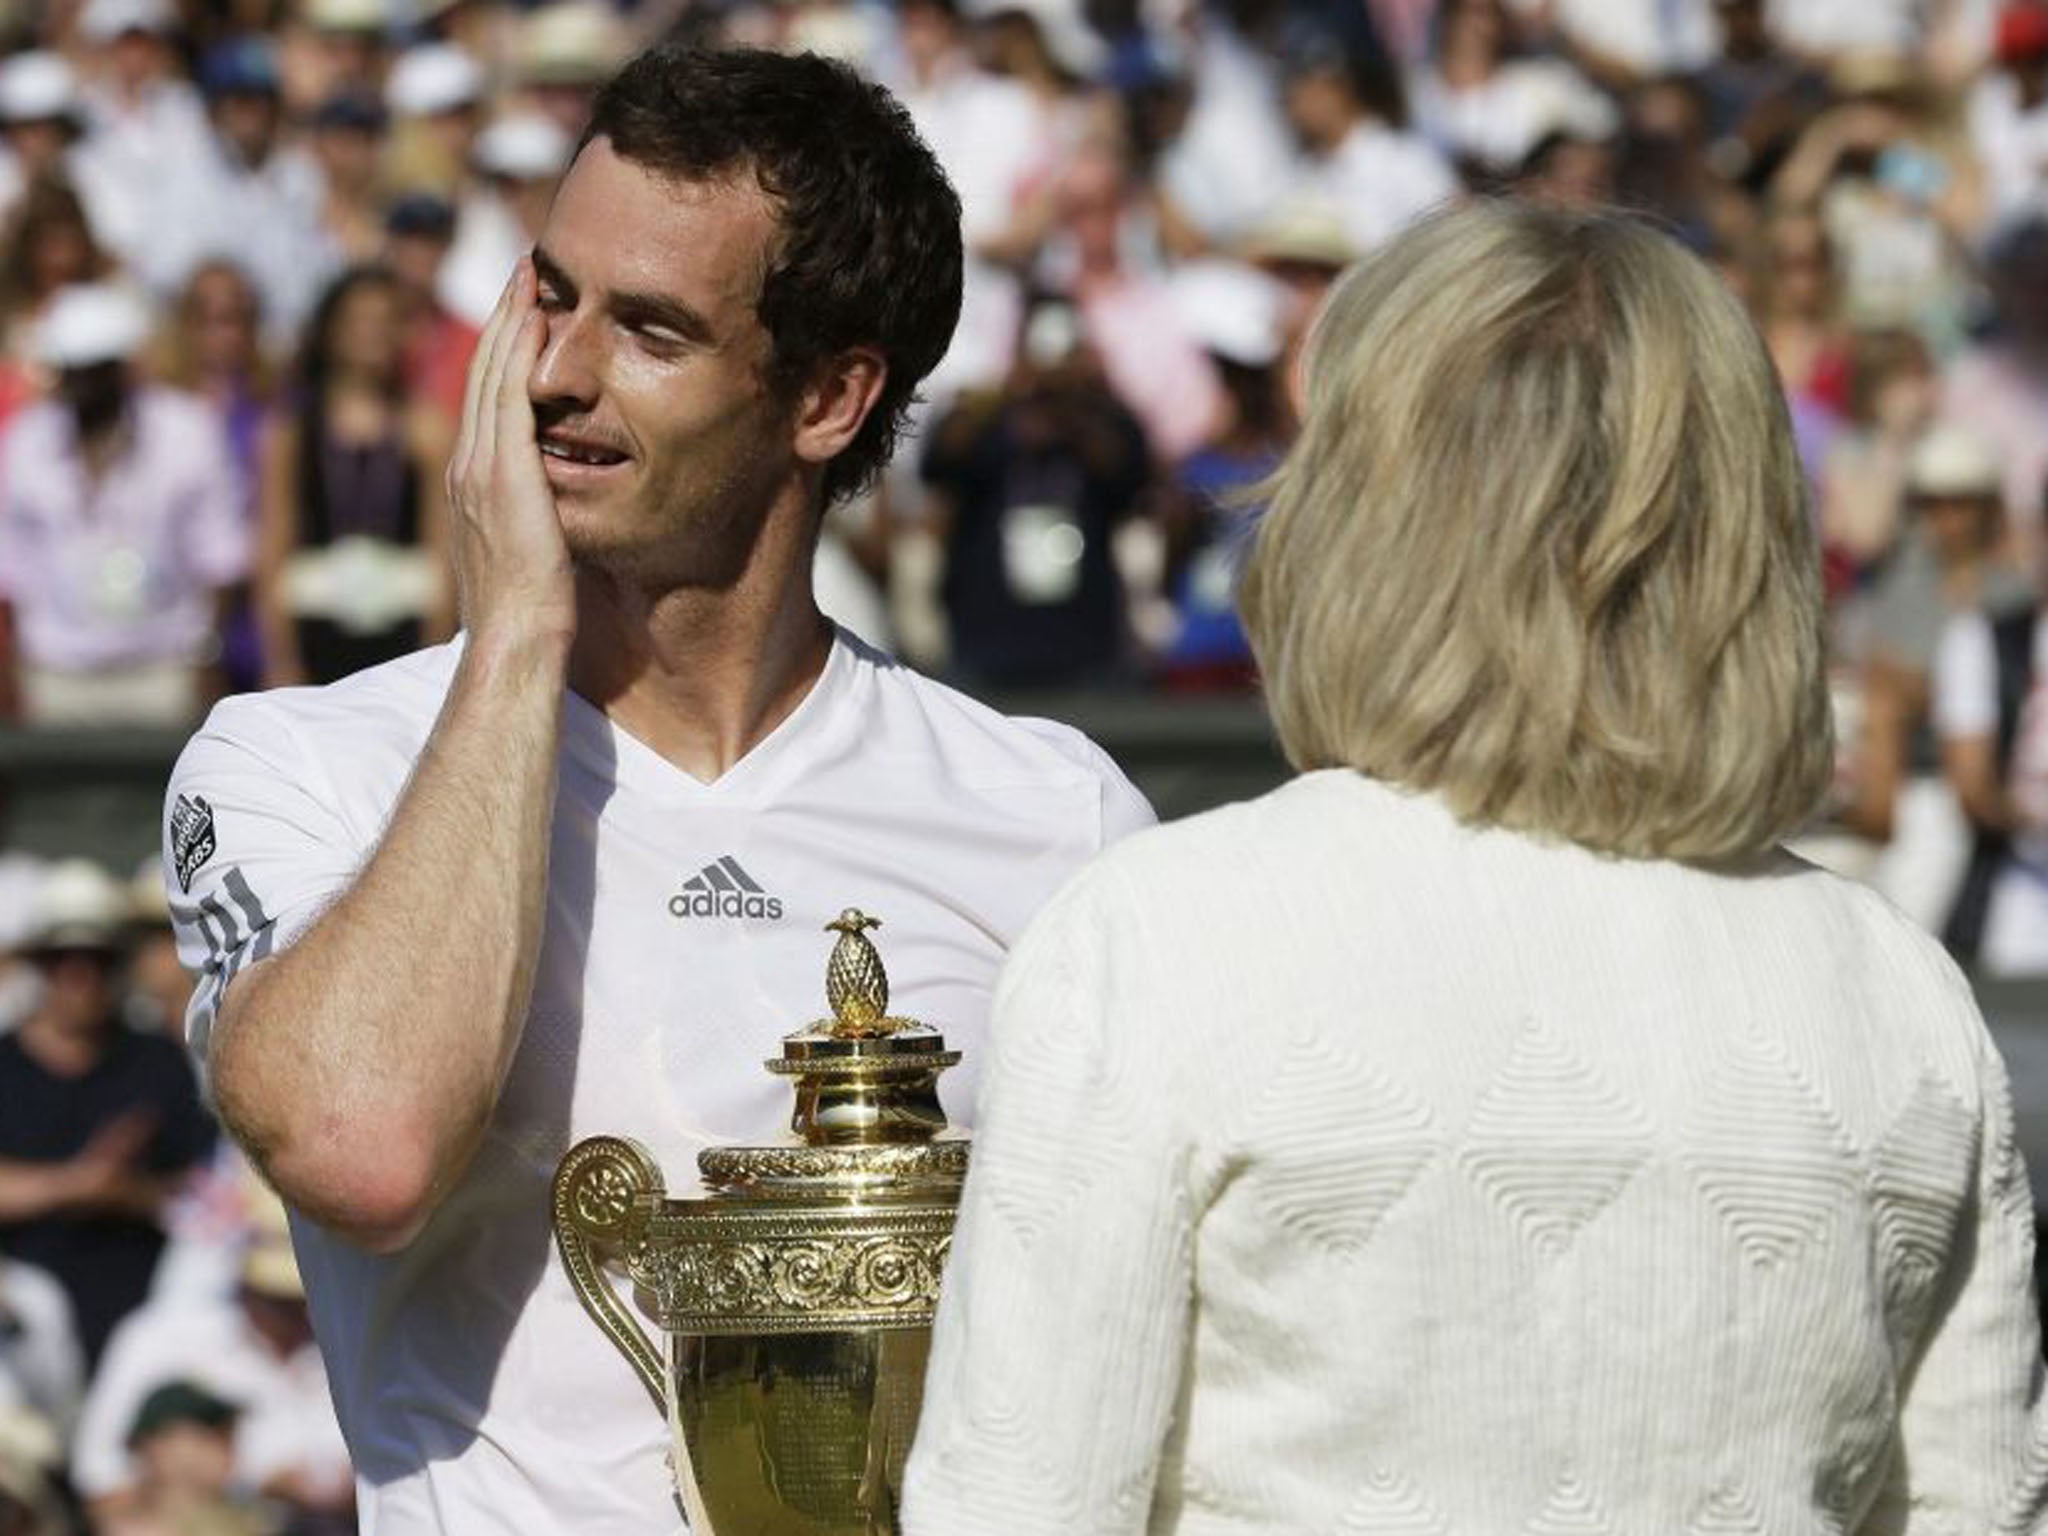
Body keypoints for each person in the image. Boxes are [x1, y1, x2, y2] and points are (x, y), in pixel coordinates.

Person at [903, 203, 2047, 1532]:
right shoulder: (1897, 991)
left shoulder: (1160, 936)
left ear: (1354, 513)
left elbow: (1019, 1502)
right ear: (1747, 537)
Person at [163, 45, 1152, 1534]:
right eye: (550, 293)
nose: (557, 372)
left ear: (826, 399)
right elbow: (361, 1147)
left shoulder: (1055, 817)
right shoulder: (300, 763)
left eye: (652, 331)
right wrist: (516, 638)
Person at [0, 283, 250, 728]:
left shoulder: (187, 431)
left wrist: (204, 655)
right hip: (58, 672)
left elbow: (220, 557)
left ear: (123, 369)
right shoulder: (26, 441)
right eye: (72, 370)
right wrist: (17, 669)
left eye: (96, 370)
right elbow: (13, 570)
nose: (83, 385)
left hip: (163, 668)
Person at [0, 861, 214, 1368]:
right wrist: (78, 1183)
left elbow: (205, 1189)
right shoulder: (4, 1064)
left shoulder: (157, 1062)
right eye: (61, 959)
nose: (79, 976)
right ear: (38, 965)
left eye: (95, 959)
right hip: (18, 1325)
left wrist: (130, 1194)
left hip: (145, 1315)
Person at [254, 265, 453, 687]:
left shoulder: (427, 430)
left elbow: (443, 551)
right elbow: (274, 545)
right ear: (331, 331)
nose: (374, 334)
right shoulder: (292, 433)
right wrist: (281, 658)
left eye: (386, 322)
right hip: (317, 641)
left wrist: (435, 664)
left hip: (403, 643)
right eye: (360, 321)